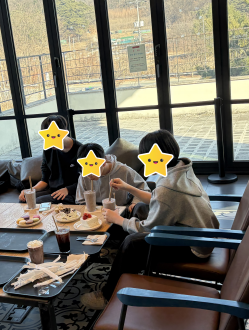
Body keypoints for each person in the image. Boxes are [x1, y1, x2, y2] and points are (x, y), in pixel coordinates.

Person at [80, 129, 219, 310]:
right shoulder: (181, 169)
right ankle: (128, 265)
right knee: (139, 208)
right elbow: (158, 199)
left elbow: (149, 228)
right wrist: (129, 188)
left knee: (131, 242)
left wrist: (118, 219)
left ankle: (107, 295)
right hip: (201, 233)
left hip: (194, 247)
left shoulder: (168, 189)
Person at [75, 142, 150, 240]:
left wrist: (135, 202)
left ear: (103, 163)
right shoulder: (84, 175)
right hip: (95, 215)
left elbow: (144, 188)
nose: (89, 175)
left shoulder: (123, 170)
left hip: (120, 213)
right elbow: (80, 200)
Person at [19, 115, 81, 205]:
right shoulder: (48, 149)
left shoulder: (80, 150)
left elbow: (87, 180)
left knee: (37, 202)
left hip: (73, 193)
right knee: (26, 198)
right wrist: (31, 190)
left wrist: (68, 189)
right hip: (53, 191)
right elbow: (45, 179)